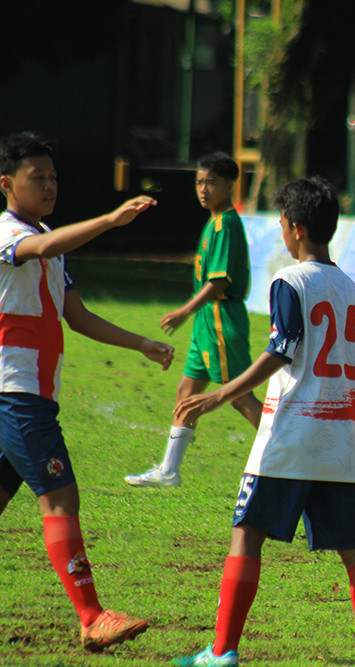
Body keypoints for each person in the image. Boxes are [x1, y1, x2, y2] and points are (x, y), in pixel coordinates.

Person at [171, 177, 355, 667]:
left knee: (246, 535)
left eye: (284, 225)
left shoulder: (290, 281)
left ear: (295, 229)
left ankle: (222, 652)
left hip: (290, 436)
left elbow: (282, 348)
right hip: (345, 443)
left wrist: (221, 394)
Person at [0, 131, 175, 651]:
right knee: (60, 498)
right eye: (38, 177)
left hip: (31, 393)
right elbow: (45, 247)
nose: (50, 185)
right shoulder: (8, 233)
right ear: (7, 184)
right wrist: (110, 220)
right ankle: (92, 615)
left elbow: (75, 316)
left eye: (54, 176)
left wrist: (140, 342)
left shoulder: (48, 236)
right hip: (18, 392)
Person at [125, 152, 262, 488]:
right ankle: (169, 470)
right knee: (187, 390)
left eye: (211, 182)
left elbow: (220, 281)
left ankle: (292, 455)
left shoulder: (227, 223)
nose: (203, 189)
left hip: (220, 318)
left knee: (238, 394)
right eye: (199, 182)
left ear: (230, 184)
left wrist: (185, 310)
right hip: (206, 321)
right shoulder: (213, 221)